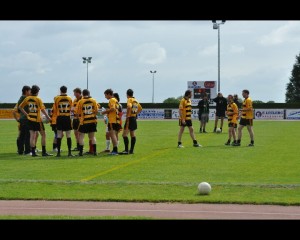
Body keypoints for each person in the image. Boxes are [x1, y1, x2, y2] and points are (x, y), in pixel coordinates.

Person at [18, 85, 52, 157]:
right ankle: (44, 152)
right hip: (37, 120)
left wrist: (27, 114)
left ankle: (33, 152)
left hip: (30, 119)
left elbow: (20, 107)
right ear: (37, 91)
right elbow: (42, 110)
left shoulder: (27, 98)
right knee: (43, 135)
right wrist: (48, 117)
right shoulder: (38, 99)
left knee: (32, 136)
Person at [52, 86, 74, 157]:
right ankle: (69, 152)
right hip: (67, 118)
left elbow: (55, 109)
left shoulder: (57, 98)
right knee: (68, 135)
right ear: (66, 90)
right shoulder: (70, 98)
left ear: (60, 90)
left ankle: (58, 153)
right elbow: (72, 108)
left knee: (59, 135)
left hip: (60, 118)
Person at [76, 89, 99, 156]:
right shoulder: (93, 100)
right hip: (92, 121)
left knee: (81, 136)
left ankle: (80, 152)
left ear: (82, 94)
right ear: (89, 93)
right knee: (92, 137)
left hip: (84, 121)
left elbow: (77, 112)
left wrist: (79, 118)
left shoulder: (80, 101)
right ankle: (95, 152)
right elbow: (96, 110)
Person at [120, 89, 142, 155]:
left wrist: (128, 115)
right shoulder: (136, 100)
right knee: (132, 134)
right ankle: (131, 150)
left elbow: (129, 106)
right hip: (134, 118)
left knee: (124, 135)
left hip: (129, 118)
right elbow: (140, 108)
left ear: (127, 94)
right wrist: (135, 114)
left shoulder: (129, 99)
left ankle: (126, 150)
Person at [101, 89, 122, 155]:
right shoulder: (116, 100)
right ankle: (115, 150)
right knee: (114, 135)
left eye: (105, 95)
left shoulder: (112, 100)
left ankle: (115, 150)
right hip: (116, 120)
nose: (105, 97)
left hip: (112, 120)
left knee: (112, 135)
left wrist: (104, 112)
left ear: (108, 94)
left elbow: (112, 109)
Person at [14, 85, 31, 155]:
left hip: (22, 119)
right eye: (29, 91)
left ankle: (20, 151)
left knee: (22, 135)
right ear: (26, 91)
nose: (30, 92)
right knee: (27, 135)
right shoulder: (25, 98)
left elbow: (17, 109)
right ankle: (27, 151)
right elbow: (18, 109)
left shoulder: (21, 98)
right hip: (26, 119)